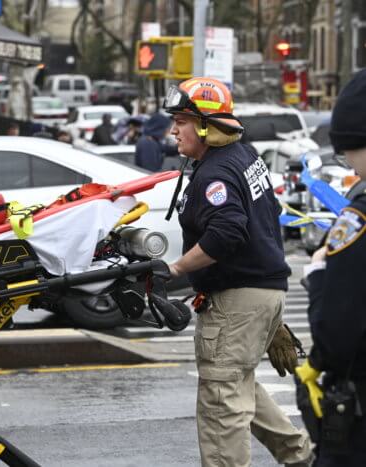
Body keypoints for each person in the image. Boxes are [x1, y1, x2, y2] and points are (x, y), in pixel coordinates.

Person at [164, 77, 314, 467]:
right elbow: (268, 219)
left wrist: (177, 268)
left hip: (238, 300)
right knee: (239, 386)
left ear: (204, 125)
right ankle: (303, 458)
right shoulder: (244, 156)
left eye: (180, 120)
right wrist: (266, 314)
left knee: (221, 402)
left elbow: (228, 231)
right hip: (262, 293)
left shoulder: (216, 174)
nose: (172, 130)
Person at [295, 69, 366, 466]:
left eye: (350, 155)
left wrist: (318, 278)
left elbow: (337, 334)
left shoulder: (357, 221)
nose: (351, 169)